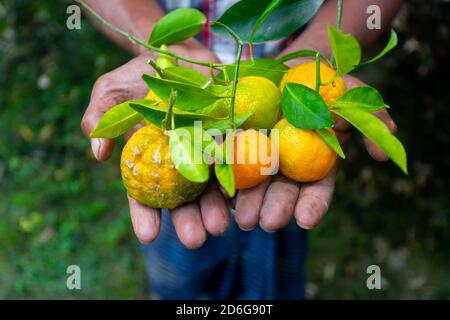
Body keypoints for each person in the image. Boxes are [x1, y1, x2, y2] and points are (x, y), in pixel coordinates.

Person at [81, 0, 403, 299]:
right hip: (194, 132)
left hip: (279, 103)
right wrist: (157, 42)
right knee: (180, 269)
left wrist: (318, 55)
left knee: (274, 262)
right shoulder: (176, 144)